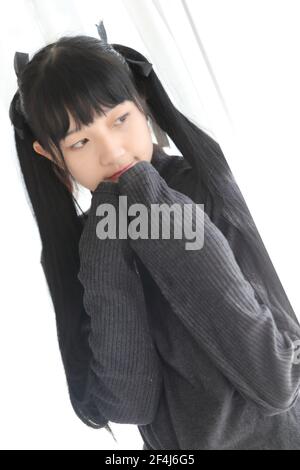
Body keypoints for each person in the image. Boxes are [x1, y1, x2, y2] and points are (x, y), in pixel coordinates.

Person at [8, 20, 300, 450]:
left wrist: (149, 201)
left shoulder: (201, 187)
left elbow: (274, 381)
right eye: (80, 142)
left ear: (142, 104)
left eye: (119, 119)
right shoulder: (86, 245)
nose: (111, 151)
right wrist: (109, 233)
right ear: (50, 155)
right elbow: (129, 404)